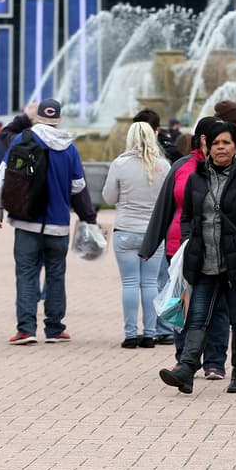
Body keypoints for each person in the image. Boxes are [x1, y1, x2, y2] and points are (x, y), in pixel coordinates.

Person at [158, 121, 236, 394]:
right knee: (197, 316)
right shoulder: (196, 179)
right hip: (204, 261)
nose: (220, 147)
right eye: (215, 143)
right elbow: (187, 216)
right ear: (207, 147)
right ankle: (186, 369)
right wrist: (191, 241)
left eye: (226, 142)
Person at [0, 98, 98, 345]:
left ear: (37, 117)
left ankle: (26, 329)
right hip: (58, 224)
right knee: (56, 275)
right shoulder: (69, 148)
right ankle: (55, 328)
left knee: (26, 274)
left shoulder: (21, 140)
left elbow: (1, 178)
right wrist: (88, 219)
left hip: (26, 221)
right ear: (58, 119)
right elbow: (78, 188)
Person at [141, 117, 231, 377]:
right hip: (179, 247)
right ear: (202, 140)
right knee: (181, 302)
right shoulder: (181, 166)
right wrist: (150, 244)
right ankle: (183, 358)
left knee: (218, 306)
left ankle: (214, 361)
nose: (217, 145)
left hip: (217, 246)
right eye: (213, 139)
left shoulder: (228, 169)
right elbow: (164, 206)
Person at [102, 121, 171, 348]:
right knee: (150, 283)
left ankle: (131, 334)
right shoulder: (163, 166)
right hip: (153, 232)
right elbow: (169, 200)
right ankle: (150, 334)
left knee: (130, 283)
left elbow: (109, 198)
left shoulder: (120, 164)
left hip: (126, 231)